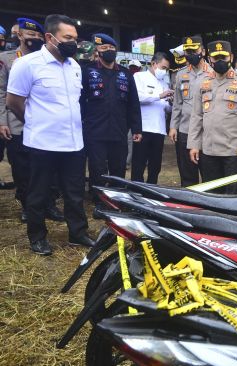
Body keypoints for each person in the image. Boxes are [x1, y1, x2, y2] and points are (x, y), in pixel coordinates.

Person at [6, 14, 94, 255]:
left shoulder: (74, 66)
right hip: (42, 143)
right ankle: (38, 237)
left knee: (74, 193)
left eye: (75, 38)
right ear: (50, 37)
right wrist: (34, 121)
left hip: (74, 143)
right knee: (39, 193)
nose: (73, 43)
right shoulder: (28, 65)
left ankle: (78, 233)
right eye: (68, 38)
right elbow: (14, 102)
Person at [0, 17, 66, 223]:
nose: (35, 38)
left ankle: (49, 204)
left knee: (50, 167)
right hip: (17, 124)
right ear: (19, 35)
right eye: (30, 35)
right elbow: (2, 93)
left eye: (38, 35)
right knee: (22, 168)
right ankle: (28, 205)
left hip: (45, 124)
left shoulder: (48, 59)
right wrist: (3, 121)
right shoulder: (8, 59)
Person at [80, 33, 142, 208]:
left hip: (119, 130)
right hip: (95, 130)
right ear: (97, 50)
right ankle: (99, 200)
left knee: (118, 167)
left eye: (111, 48)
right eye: (104, 48)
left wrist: (137, 128)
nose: (108, 51)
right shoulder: (88, 71)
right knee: (97, 169)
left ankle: (116, 200)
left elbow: (133, 103)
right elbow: (80, 100)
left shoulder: (125, 74)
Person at [187, 40, 237, 194]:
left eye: (223, 57)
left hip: (233, 151)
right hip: (209, 150)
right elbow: (196, 116)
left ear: (230, 57)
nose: (219, 61)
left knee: (234, 194)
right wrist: (193, 144)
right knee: (211, 193)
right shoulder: (203, 83)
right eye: (215, 57)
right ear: (210, 58)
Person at [169, 36, 211, 187]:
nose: (191, 53)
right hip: (185, 130)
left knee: (208, 175)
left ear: (203, 51)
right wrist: (173, 126)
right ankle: (189, 206)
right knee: (187, 175)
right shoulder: (181, 74)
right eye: (188, 51)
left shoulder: (213, 73)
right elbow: (177, 103)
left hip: (206, 131)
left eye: (194, 50)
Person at [132, 52, 173, 184]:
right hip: (143, 128)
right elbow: (137, 98)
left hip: (159, 129)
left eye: (166, 69)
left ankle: (151, 190)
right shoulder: (139, 76)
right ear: (153, 64)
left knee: (155, 165)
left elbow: (165, 108)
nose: (164, 71)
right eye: (163, 67)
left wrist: (170, 102)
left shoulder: (164, 83)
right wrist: (160, 96)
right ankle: (136, 191)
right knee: (139, 163)